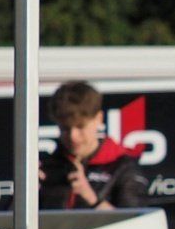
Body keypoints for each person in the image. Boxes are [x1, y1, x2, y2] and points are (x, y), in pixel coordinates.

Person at [39, 81, 145, 210]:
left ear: (99, 119)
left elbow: (135, 224)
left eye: (80, 127)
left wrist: (92, 199)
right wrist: (26, 193)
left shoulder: (122, 167)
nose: (73, 136)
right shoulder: (47, 166)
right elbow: (12, 223)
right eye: (65, 128)